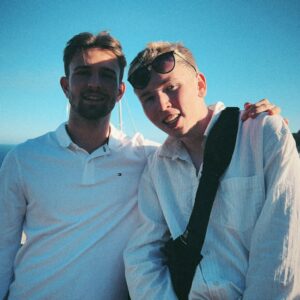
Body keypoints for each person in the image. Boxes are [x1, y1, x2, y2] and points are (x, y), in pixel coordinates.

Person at [0, 30, 280, 300]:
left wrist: (259, 127)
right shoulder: (23, 159)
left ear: (120, 91)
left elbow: (203, 149)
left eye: (107, 75)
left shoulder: (150, 157)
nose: (94, 83)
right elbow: (3, 248)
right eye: (83, 73)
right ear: (65, 85)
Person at [124, 41, 300, 299]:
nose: (161, 105)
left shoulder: (262, 134)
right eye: (148, 98)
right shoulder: (156, 168)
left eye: (171, 88)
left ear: (200, 84)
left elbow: (281, 251)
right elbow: (142, 256)